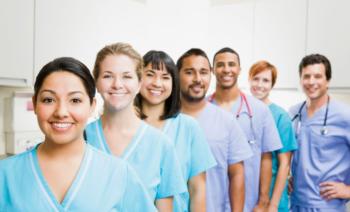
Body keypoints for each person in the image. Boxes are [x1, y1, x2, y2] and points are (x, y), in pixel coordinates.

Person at [0, 57, 156, 211]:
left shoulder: (119, 174)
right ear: (34, 104)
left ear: (92, 106)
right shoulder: (5, 174)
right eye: (48, 100)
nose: (61, 112)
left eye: (75, 100)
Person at [84, 43, 186, 211]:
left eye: (126, 76)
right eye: (108, 76)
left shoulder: (161, 145)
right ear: (96, 82)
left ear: (139, 83)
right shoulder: (82, 138)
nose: (117, 84)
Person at [134, 50, 217, 212]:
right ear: (137, 79)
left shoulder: (188, 127)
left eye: (165, 77)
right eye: (150, 74)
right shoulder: (126, 126)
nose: (157, 83)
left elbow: (197, 189)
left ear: (174, 83)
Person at [177, 48, 253, 212]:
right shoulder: (165, 120)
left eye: (203, 72)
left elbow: (237, 175)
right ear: (177, 75)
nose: (198, 79)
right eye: (190, 72)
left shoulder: (226, 121)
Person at [209, 47, 282, 212]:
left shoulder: (260, 110)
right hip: (208, 203)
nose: (226, 69)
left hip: (248, 204)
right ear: (213, 70)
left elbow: (266, 157)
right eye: (220, 64)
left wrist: (263, 201)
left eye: (231, 64)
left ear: (239, 70)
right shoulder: (202, 109)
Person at [289, 54, 350, 212]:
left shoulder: (344, 115)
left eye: (318, 76)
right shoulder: (294, 113)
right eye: (306, 76)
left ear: (327, 80)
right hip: (295, 203)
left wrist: (348, 190)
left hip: (328, 206)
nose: (311, 82)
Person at [248, 60, 298, 211]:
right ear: (249, 80)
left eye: (266, 80)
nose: (260, 85)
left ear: (272, 85)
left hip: (272, 198)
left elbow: (284, 164)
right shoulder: (242, 112)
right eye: (256, 78)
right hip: (247, 197)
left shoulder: (280, 116)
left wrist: (273, 205)